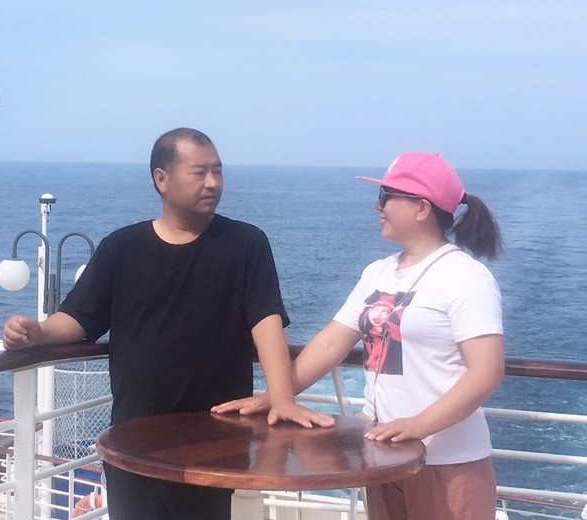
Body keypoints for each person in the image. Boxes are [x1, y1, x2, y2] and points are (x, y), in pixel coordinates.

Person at [2, 127, 333, 520]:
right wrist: (37, 333)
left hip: (217, 441)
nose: (213, 182)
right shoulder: (121, 248)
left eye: (218, 171)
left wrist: (282, 397)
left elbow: (266, 322)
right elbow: (78, 319)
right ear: (162, 178)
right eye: (200, 172)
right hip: (134, 440)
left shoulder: (246, 244)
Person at [213, 151, 505, 520]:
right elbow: (331, 343)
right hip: (385, 453)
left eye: (387, 196)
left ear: (422, 208)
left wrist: (420, 424)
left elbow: (487, 370)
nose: (377, 206)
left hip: (447, 461)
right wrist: (276, 397)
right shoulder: (378, 273)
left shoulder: (465, 276)